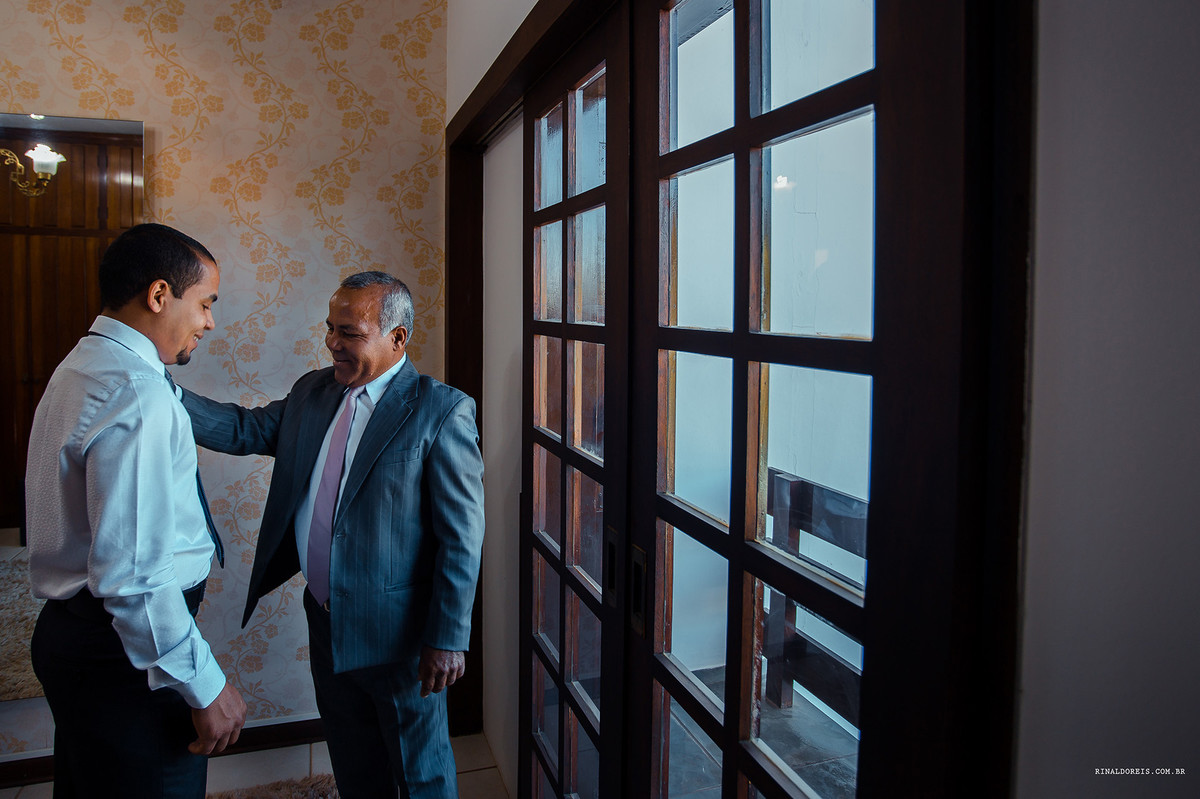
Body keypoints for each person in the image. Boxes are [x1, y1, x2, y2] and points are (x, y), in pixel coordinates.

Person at [182, 271, 485, 798]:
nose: (332, 343)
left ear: (397, 338)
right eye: (330, 328)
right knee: (352, 757)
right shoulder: (314, 391)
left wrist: (448, 638)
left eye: (349, 333)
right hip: (324, 620)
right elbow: (246, 428)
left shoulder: (441, 410)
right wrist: (160, 391)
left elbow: (461, 538)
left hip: (399, 637)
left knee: (420, 773)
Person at [26, 223, 247, 799]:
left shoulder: (84, 364)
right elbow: (132, 576)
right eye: (205, 303)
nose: (209, 322)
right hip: (126, 656)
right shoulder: (135, 392)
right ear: (158, 295)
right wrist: (203, 683)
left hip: (79, 637)